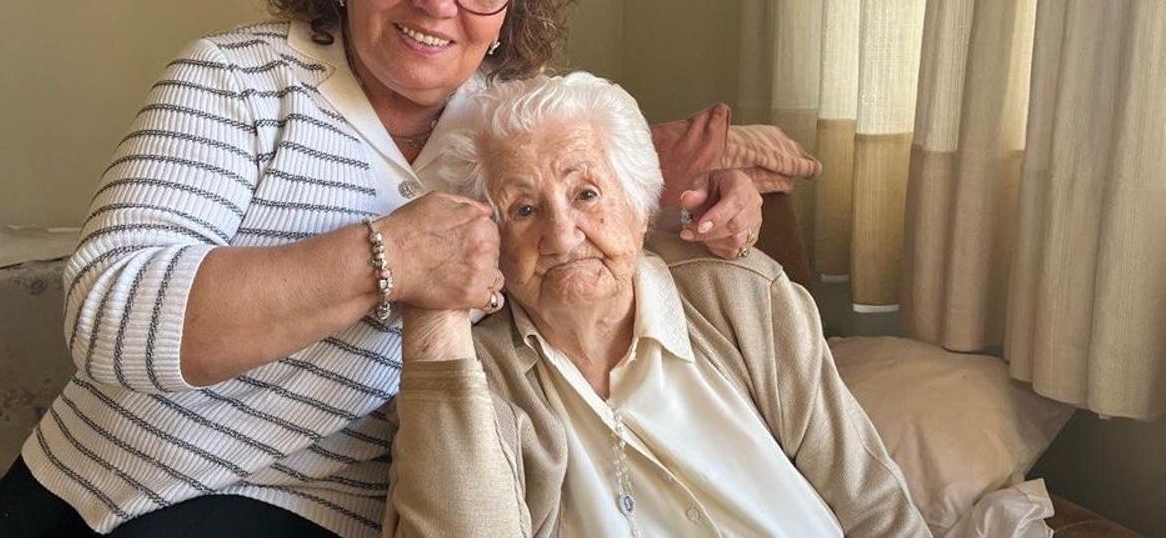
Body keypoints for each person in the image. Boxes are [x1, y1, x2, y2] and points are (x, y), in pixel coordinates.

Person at [0, 0, 822, 537]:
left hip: (315, 502)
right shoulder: (233, 81)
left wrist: (721, 195)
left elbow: (602, 217)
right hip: (90, 469)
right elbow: (112, 315)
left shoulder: (508, 125)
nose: (440, 3)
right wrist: (391, 257)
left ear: (510, 1)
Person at [384, 72, 930, 538]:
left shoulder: (742, 298)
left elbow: (874, 505)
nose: (562, 235)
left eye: (586, 194)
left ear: (641, 205)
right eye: (523, 209)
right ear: (491, 239)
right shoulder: (477, 378)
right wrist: (437, 308)